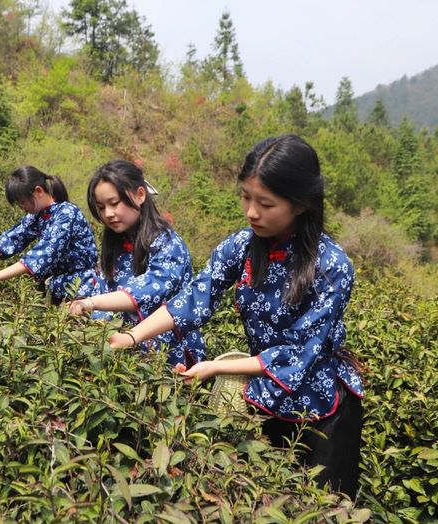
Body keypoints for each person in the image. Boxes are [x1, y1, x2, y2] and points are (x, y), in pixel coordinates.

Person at [108, 136, 364, 497]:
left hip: (322, 411)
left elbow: (297, 353)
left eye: (266, 203)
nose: (251, 212)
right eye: (246, 197)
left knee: (324, 506)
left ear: (302, 203)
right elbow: (195, 297)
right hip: (265, 395)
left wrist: (215, 367)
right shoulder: (242, 245)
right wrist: (133, 336)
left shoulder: (332, 266)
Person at [68, 160, 206, 367]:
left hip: (166, 355)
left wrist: (91, 303)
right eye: (101, 207)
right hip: (121, 346)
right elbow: (101, 284)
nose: (108, 214)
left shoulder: (167, 243)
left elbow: (146, 291)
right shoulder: (116, 242)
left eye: (114, 203)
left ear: (140, 195)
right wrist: (77, 302)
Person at [0, 166, 99, 304]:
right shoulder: (37, 215)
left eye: (22, 202)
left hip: (81, 287)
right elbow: (13, 237)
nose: (22, 207)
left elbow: (43, 254)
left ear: (38, 191)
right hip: (57, 286)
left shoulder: (67, 213)